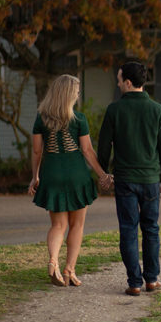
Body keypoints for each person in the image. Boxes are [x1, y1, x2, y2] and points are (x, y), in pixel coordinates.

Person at [98, 61, 161, 296]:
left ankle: (134, 282)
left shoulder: (114, 110)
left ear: (128, 83)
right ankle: (151, 279)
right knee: (151, 229)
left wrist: (103, 172)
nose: (117, 83)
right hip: (150, 180)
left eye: (119, 80)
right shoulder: (157, 110)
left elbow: (103, 147)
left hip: (125, 180)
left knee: (128, 230)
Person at [29, 74, 110, 287]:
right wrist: (103, 175)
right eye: (75, 91)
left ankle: (53, 261)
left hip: (52, 174)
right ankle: (69, 270)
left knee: (58, 225)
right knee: (77, 224)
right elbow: (87, 151)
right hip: (77, 175)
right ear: (68, 94)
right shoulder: (79, 119)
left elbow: (37, 151)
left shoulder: (41, 119)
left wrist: (35, 177)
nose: (77, 94)